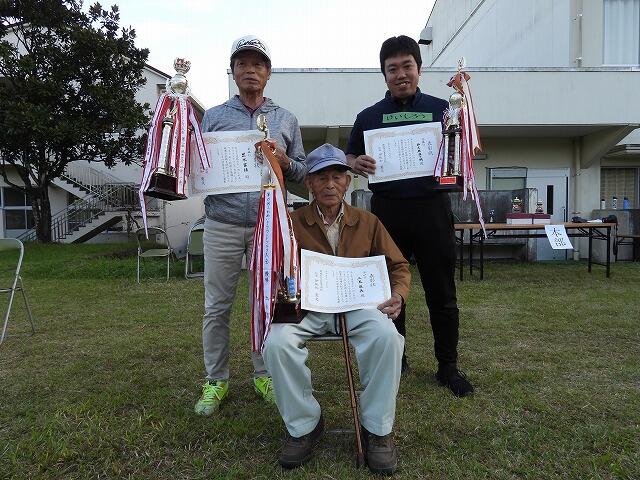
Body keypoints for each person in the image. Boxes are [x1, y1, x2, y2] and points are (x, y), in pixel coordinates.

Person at [262, 144, 409, 475]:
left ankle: (377, 429)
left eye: (337, 177)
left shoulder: (368, 222)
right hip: (309, 307)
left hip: (359, 305)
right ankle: (304, 425)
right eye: (321, 177)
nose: (330, 184)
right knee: (277, 343)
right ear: (309, 183)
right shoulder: (291, 223)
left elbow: (398, 265)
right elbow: (274, 267)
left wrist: (398, 295)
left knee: (388, 337)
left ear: (348, 182)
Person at [345, 35, 474, 397]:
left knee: (442, 292)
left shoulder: (443, 109)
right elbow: (349, 155)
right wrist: (356, 162)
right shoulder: (368, 117)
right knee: (389, 292)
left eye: (407, 66)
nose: (401, 74)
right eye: (392, 69)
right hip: (387, 214)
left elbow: (461, 150)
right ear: (383, 74)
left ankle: (447, 366)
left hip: (433, 210)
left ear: (419, 68)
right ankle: (396, 359)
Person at [194, 35, 306, 416]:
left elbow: (303, 171)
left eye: (257, 64)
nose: (250, 70)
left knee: (267, 304)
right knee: (216, 307)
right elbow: (200, 168)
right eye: (242, 64)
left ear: (268, 72)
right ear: (233, 71)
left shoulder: (285, 118)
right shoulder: (214, 117)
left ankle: (264, 373)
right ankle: (216, 380)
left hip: (268, 225)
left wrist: (285, 162)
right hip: (222, 223)